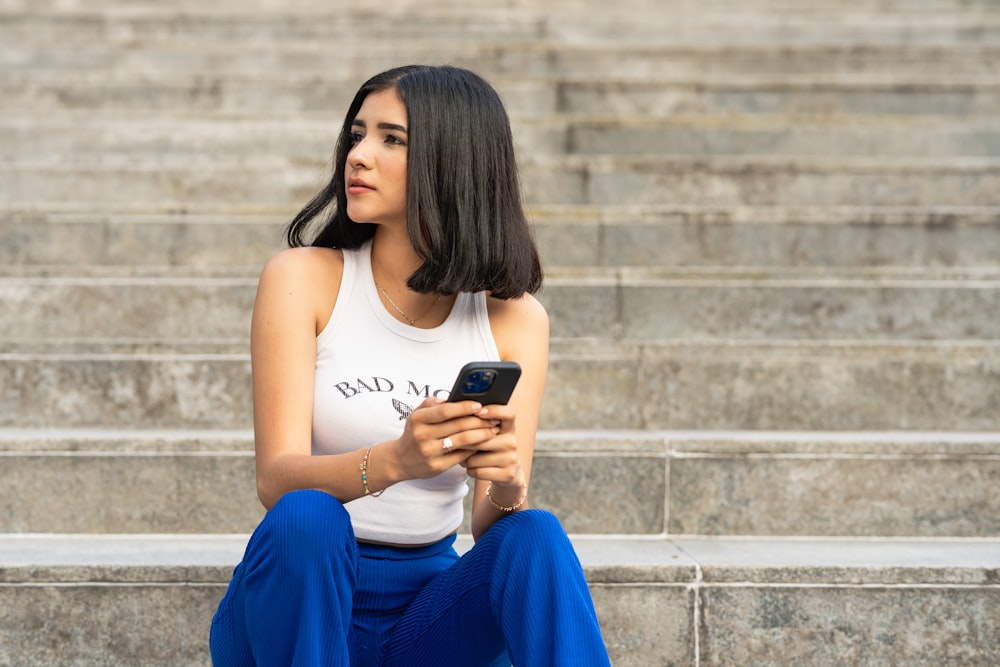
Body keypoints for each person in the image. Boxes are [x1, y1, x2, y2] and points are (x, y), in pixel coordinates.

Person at [209, 64, 611, 666]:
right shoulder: (304, 280)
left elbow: (486, 523)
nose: (359, 156)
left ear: (454, 162)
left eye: (392, 139)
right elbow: (276, 479)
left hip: (428, 620)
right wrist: (396, 460)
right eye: (357, 134)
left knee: (534, 534)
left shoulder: (513, 319)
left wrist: (504, 483)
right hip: (300, 603)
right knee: (306, 516)